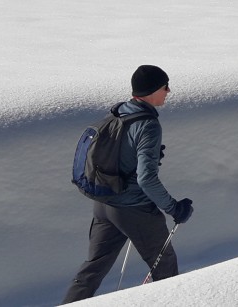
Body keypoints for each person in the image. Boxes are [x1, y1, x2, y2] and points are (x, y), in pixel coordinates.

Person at [62, 65, 193, 302]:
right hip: (134, 208)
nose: (169, 91)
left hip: (104, 205)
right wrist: (174, 208)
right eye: (165, 86)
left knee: (93, 270)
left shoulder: (119, 112)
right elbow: (147, 179)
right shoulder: (148, 125)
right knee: (166, 269)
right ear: (153, 90)